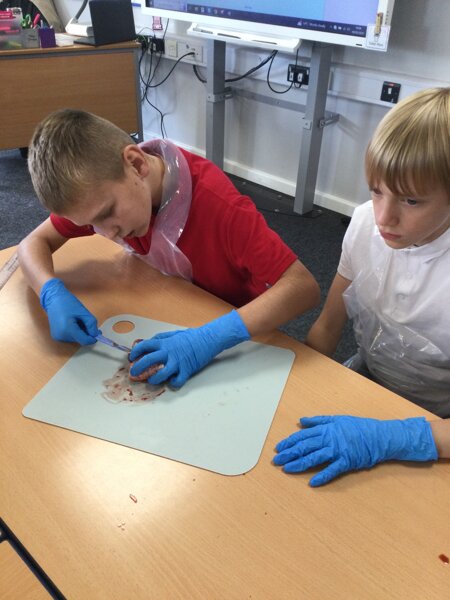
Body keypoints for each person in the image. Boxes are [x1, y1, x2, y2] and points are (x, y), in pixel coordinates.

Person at [18, 109, 320, 388]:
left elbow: (303, 287)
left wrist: (210, 337)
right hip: (171, 303)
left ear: (136, 164)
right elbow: (32, 244)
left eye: (106, 213)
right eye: (90, 223)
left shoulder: (221, 208)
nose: (105, 233)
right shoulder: (99, 195)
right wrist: (50, 292)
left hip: (236, 331)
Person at [273, 87, 450, 486]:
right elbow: (329, 325)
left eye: (411, 201)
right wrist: (292, 391)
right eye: (376, 190)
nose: (384, 217)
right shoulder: (366, 223)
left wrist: (399, 436)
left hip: (436, 425)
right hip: (367, 383)